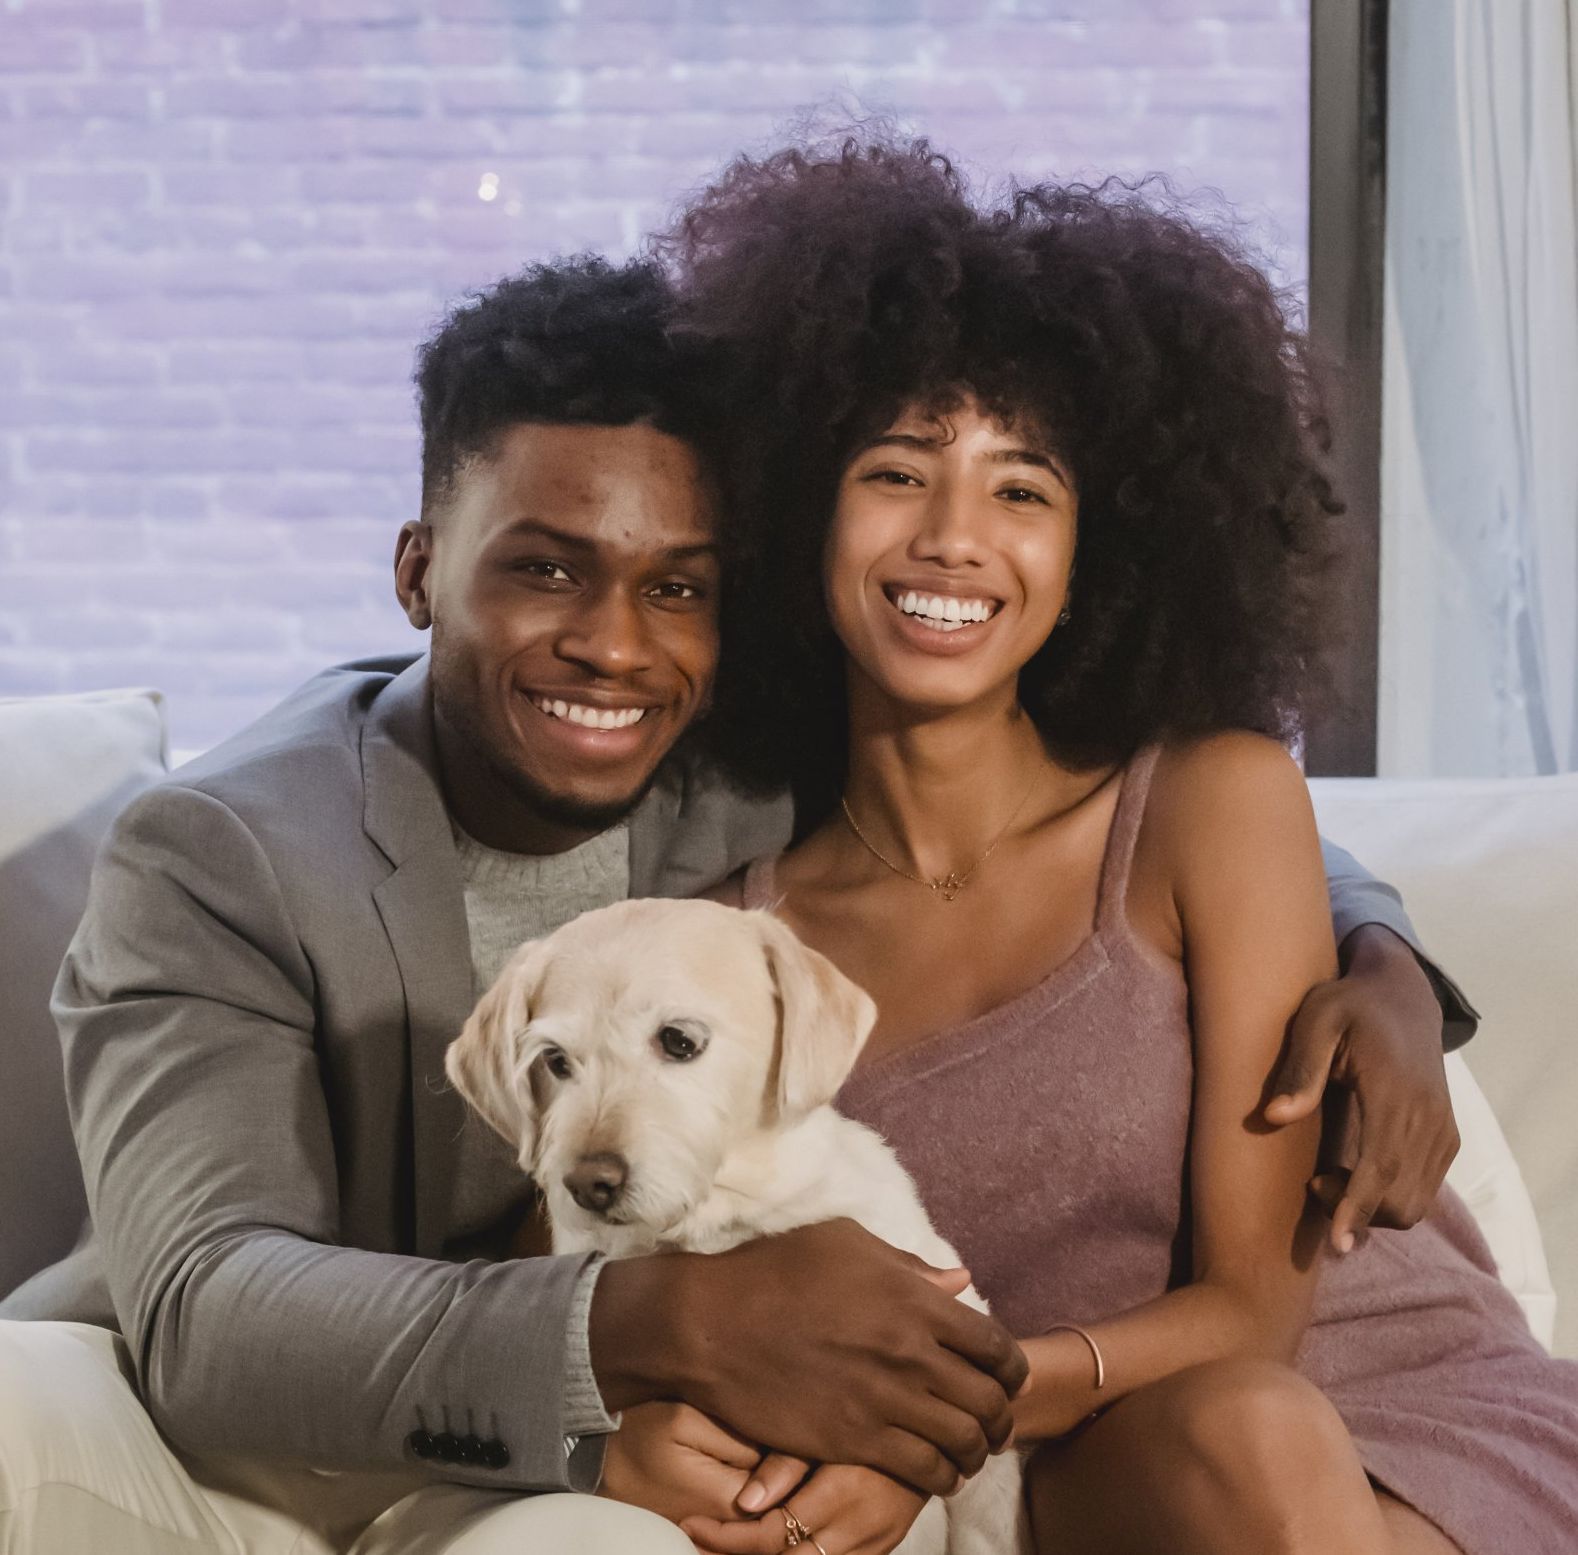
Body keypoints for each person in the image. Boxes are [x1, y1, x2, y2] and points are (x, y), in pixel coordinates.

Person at [0, 246, 1470, 1553]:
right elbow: (209, 1304)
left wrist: (1384, 959)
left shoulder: (742, 768)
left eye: (678, 589)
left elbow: (1081, 811)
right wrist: (641, 1339)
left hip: (853, 1436)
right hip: (369, 1426)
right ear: (416, 570)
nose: (611, 647)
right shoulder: (219, 852)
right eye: (542, 572)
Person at [602, 138, 1578, 1555]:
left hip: (1413, 1427)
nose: (953, 538)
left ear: (1096, 555)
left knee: (1254, 1421)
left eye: (1021, 490)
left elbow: (1257, 1312)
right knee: (1235, 1438)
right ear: (793, 509)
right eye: (895, 472)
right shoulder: (739, 961)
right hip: (1103, 1470)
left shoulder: (1208, 806)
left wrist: (942, 1426)